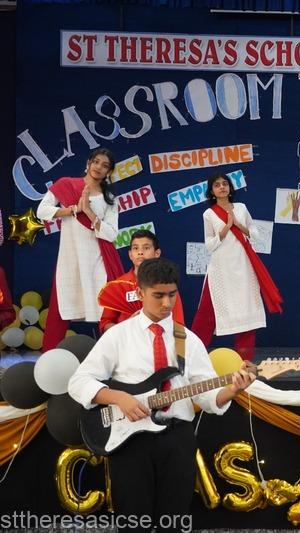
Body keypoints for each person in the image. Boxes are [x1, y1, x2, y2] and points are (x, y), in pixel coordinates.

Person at [69, 258, 256, 530]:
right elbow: (78, 382)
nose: (167, 303)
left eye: (172, 294)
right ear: (140, 292)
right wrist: (118, 398)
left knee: (175, 519)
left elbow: (207, 397)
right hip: (130, 441)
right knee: (133, 521)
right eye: (158, 295)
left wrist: (232, 389)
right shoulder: (118, 336)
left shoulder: (188, 340)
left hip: (177, 438)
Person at [37, 148, 124, 350]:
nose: (99, 167)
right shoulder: (67, 185)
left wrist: (88, 211)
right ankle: (50, 356)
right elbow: (42, 210)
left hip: (99, 258)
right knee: (62, 305)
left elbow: (112, 234)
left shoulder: (110, 198)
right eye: (96, 162)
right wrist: (72, 209)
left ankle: (116, 355)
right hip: (71, 257)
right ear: (88, 163)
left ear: (109, 172)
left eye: (105, 165)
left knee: (108, 308)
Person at [190, 172, 282, 361]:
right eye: (217, 185)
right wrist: (226, 228)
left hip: (243, 266)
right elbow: (209, 245)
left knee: (247, 311)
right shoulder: (209, 214)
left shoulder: (241, 207)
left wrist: (239, 225)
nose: (222, 187)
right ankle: (192, 358)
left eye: (225, 184)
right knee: (207, 313)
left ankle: (245, 362)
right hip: (220, 268)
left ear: (230, 188)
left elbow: (255, 234)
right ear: (212, 191)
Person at [98, 229, 185, 333]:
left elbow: (178, 323)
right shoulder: (118, 285)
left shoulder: (167, 283)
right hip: (126, 339)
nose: (140, 252)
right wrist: (126, 326)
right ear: (130, 254)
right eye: (135, 248)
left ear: (157, 253)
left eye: (146, 248)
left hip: (160, 337)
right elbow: (105, 324)